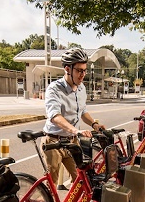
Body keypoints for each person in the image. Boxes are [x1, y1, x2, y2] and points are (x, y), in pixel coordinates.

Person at [42, 47, 105, 190]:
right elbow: (54, 116)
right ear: (67, 69)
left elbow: (83, 112)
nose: (83, 74)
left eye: (84, 70)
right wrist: (76, 130)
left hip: (72, 142)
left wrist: (94, 124)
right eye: (79, 70)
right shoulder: (54, 89)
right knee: (51, 185)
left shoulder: (81, 88)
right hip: (54, 142)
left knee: (81, 181)